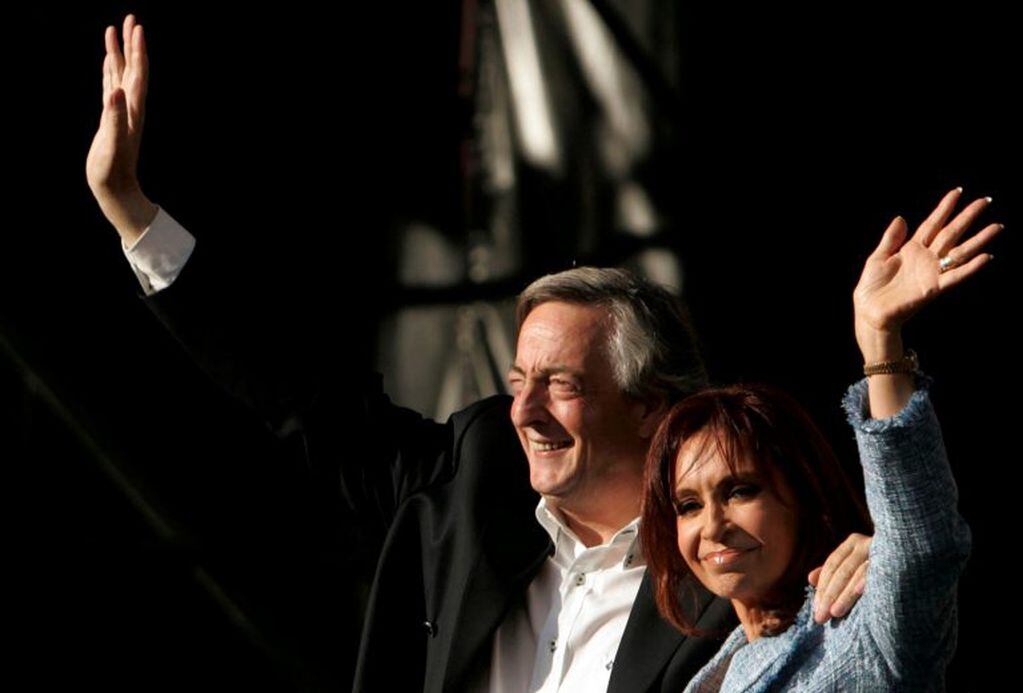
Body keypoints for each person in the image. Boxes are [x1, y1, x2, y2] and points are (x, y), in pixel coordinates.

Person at [85, 14, 874, 692]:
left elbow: (875, 598)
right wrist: (133, 215)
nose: (525, 411)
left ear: (647, 402)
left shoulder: (721, 554)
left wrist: (880, 562)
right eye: (518, 380)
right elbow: (301, 397)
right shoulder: (477, 475)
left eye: (561, 383)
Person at [640, 188, 1001, 690]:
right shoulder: (709, 671)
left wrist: (880, 340)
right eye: (687, 505)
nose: (713, 527)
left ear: (804, 494)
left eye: (741, 490)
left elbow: (920, 544)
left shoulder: (860, 634)